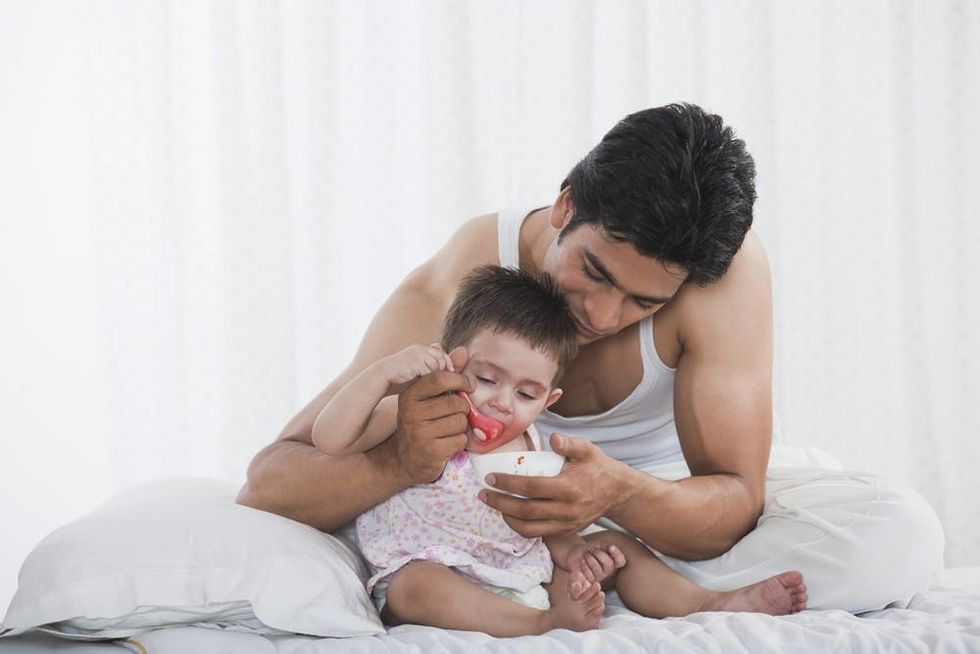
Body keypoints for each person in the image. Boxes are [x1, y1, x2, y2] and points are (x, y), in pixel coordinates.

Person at [238, 103, 944, 614]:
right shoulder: (463, 283)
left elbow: (733, 501)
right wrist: (397, 463)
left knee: (898, 536)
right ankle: (566, 590)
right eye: (597, 273)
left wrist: (621, 493)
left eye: (645, 303)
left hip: (655, 519)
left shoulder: (718, 278)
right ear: (563, 207)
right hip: (475, 521)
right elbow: (270, 482)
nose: (601, 319)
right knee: (363, 546)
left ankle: (651, 591)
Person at [312, 265, 806, 636]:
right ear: (451, 358)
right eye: (485, 379)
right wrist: (381, 375)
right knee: (415, 588)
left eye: (526, 395)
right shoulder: (420, 413)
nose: (503, 403)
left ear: (549, 401)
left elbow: (545, 525)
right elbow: (328, 439)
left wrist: (581, 556)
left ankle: (708, 605)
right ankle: (540, 625)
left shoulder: (530, 445)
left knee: (616, 548)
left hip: (518, 566)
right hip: (431, 570)